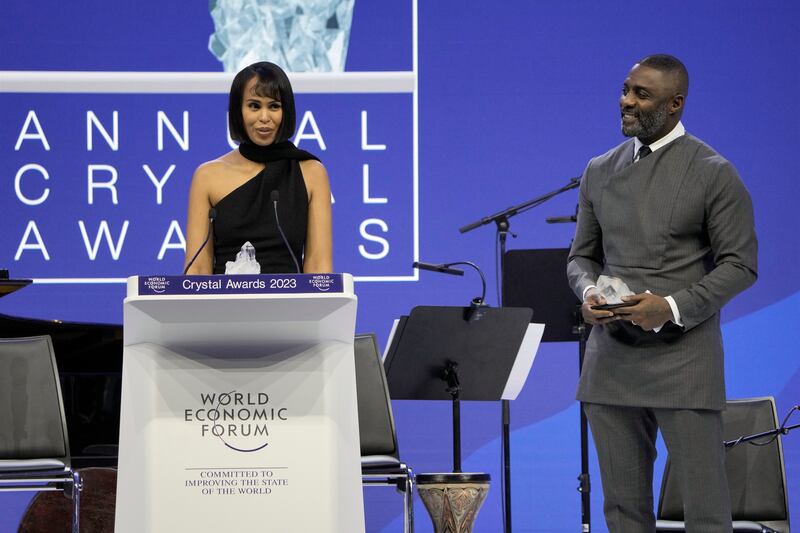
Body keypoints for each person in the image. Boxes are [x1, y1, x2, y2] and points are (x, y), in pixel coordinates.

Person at [567, 54, 757, 531]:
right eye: (626, 89)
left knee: (706, 516)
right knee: (624, 514)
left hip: (684, 365)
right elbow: (580, 257)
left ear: (674, 104)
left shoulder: (714, 172)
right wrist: (588, 291)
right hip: (610, 365)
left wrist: (670, 307)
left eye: (641, 94)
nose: (626, 101)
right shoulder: (598, 170)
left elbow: (742, 264)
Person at [183, 61, 333, 275]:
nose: (265, 118)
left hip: (291, 306)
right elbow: (197, 270)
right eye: (254, 106)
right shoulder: (207, 176)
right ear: (238, 111)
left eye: (274, 106)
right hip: (222, 306)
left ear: (286, 111)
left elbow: (319, 267)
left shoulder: (311, 172)